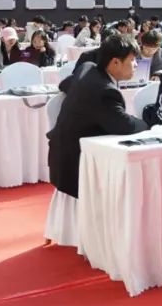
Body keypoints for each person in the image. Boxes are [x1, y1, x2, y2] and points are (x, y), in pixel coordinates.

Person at [47, 35, 147, 209]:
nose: (136, 65)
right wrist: (149, 124)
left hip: (61, 157)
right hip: (77, 167)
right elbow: (125, 125)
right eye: (132, 60)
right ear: (115, 62)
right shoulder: (104, 91)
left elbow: (64, 84)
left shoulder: (87, 68)